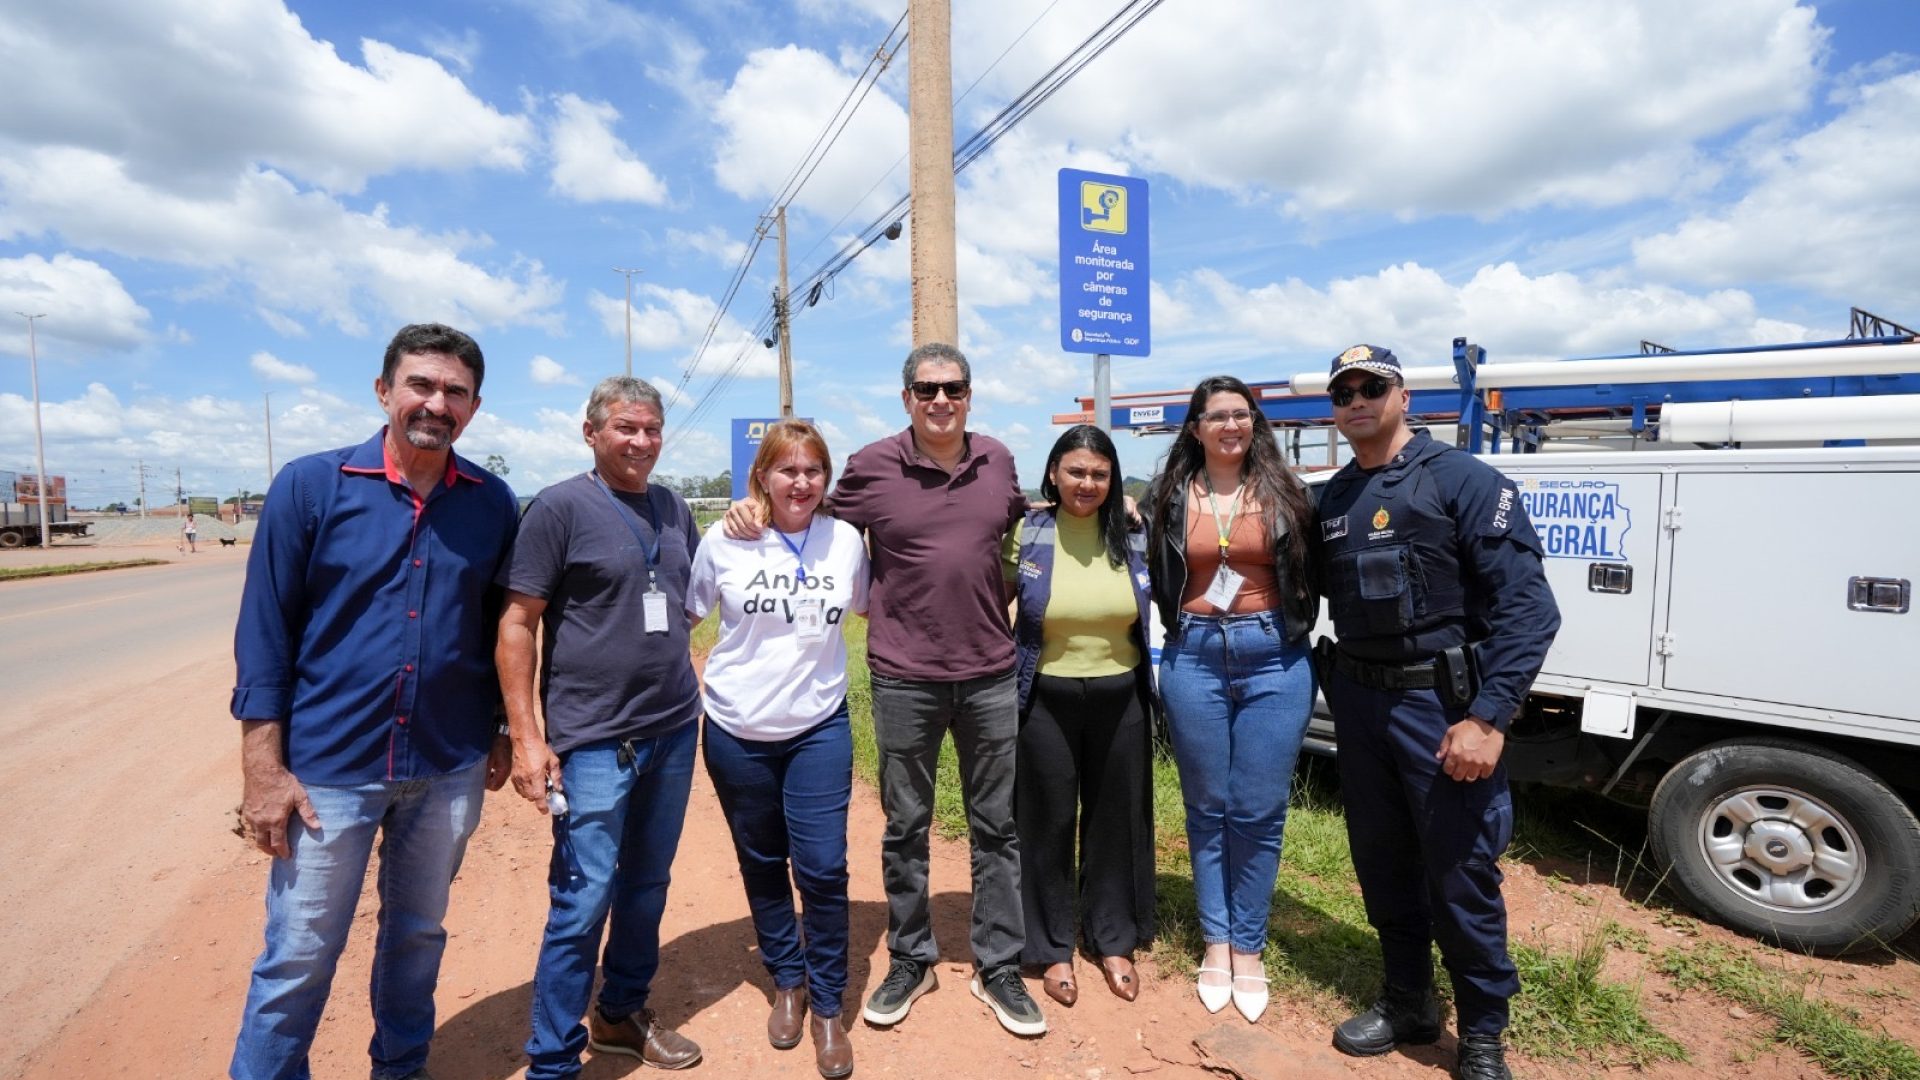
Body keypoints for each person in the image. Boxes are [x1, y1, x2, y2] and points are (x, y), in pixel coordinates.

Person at [723, 342, 1044, 1037]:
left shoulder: (997, 461)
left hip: (990, 672)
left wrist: (1121, 519)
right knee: (907, 827)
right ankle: (911, 956)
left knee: (997, 826)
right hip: (904, 677)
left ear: (968, 395)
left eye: (953, 388)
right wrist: (749, 507)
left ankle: (998, 967)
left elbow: (1018, 531)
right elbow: (801, 508)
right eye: (926, 389)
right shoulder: (872, 465)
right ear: (906, 398)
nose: (940, 400)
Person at [228, 323, 520, 1080]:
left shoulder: (492, 504)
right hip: (330, 770)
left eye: (455, 391)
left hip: (447, 763)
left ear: (475, 407)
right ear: (384, 390)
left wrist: (497, 729)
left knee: (418, 936)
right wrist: (264, 768)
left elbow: (497, 629)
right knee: (298, 951)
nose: (436, 402)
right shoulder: (312, 485)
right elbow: (265, 632)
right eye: (421, 384)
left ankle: (401, 1066)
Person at [1311, 345, 1560, 1080]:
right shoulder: (1331, 499)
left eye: (1371, 387)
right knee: (1383, 861)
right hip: (1358, 703)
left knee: (1459, 870)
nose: (1356, 400)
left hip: (1441, 707)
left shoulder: (1465, 480)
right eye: (1343, 391)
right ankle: (1407, 1001)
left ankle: (1483, 1032)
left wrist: (1488, 717)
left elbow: (1529, 610)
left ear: (1403, 397)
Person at [498, 376, 705, 1078]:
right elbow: (518, 624)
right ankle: (554, 1059)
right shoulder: (558, 508)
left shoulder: (675, 508)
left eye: (651, 429)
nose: (641, 441)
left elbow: (688, 603)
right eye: (625, 428)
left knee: (647, 884)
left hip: (674, 729)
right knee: (582, 899)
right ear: (591, 432)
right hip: (592, 743)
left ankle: (620, 1012)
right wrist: (527, 736)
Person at [687, 419, 869, 1079]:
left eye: (813, 470)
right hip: (736, 730)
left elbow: (871, 607)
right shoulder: (725, 539)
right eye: (787, 470)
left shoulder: (845, 541)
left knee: (822, 867)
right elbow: (685, 617)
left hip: (818, 726)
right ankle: (786, 979)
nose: (801, 482)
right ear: (762, 475)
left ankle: (827, 1004)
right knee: (762, 861)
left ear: (827, 478)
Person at [1142, 375, 1318, 1024]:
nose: (1230, 426)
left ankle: (1249, 946)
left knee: (1258, 810)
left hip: (1275, 656)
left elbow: (1315, 575)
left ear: (1254, 423)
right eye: (1216, 416)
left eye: (1241, 415)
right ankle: (1216, 942)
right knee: (1207, 807)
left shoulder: (1287, 493)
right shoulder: (1167, 497)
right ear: (1196, 428)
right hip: (1193, 656)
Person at [1003, 425, 1155, 1008]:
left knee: (1116, 820)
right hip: (1045, 695)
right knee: (1045, 822)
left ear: (1113, 479)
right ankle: (1052, 947)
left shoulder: (1132, 531)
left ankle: (1113, 939)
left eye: (1099, 473)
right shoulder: (1028, 530)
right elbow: (992, 591)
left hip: (1123, 694)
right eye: (1075, 471)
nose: (1087, 483)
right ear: (1053, 475)